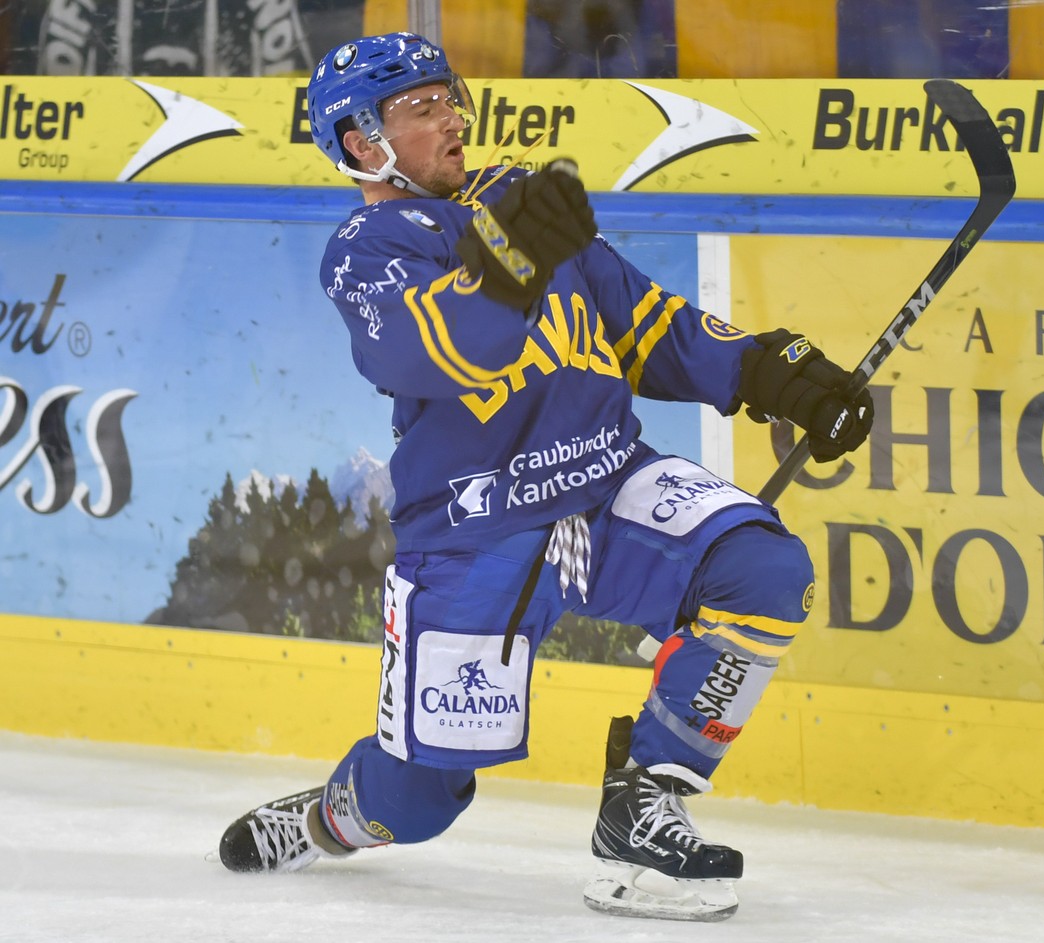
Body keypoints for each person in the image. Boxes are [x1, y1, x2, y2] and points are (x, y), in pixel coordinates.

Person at [214, 31, 872, 923]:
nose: (451, 116)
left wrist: (769, 372)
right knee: (417, 800)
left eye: (449, 96)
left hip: (603, 490)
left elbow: (645, 323)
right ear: (364, 144)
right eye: (421, 107)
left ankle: (643, 805)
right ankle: (336, 815)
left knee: (763, 572)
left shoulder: (519, 205)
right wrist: (507, 268)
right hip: (476, 528)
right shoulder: (368, 247)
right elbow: (424, 349)